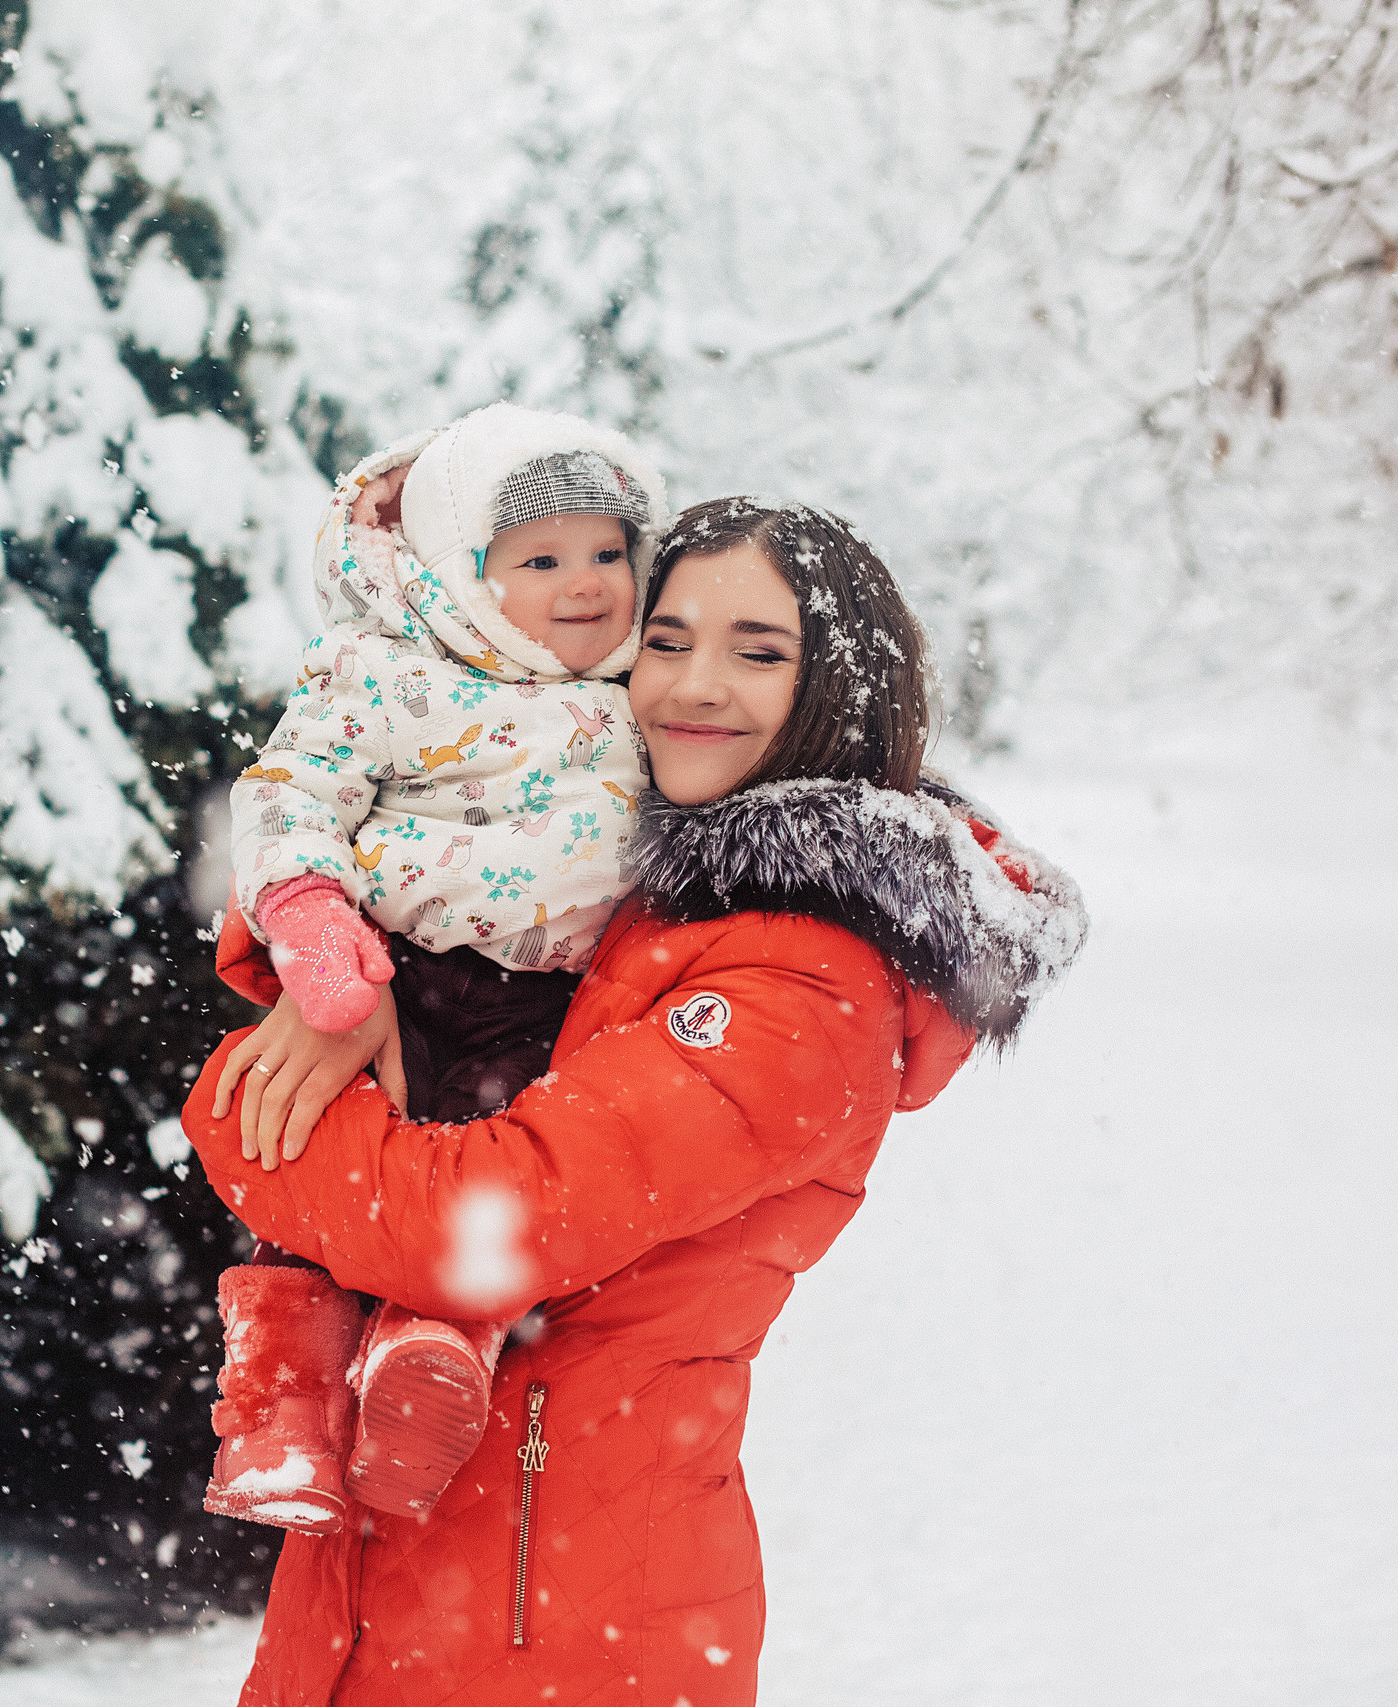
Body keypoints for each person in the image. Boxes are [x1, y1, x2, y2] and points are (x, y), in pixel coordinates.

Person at [182, 496, 1089, 1704]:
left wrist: (242, 1106)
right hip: (397, 1583)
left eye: (757, 651)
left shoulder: (802, 979)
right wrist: (331, 986)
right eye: (665, 640)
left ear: (840, 688)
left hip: (561, 1624)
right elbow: (424, 925)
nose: (691, 686)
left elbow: (466, 1236)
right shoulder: (630, 883)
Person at [205, 405, 668, 1534]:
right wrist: (309, 916)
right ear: (462, 577)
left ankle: (430, 1358)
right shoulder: (386, 674)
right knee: (320, 1160)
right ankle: (280, 1413)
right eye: (541, 560)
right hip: (392, 973)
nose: (587, 585)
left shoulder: (647, 691)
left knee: (483, 1172)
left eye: (609, 552)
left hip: (547, 1001)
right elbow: (289, 793)